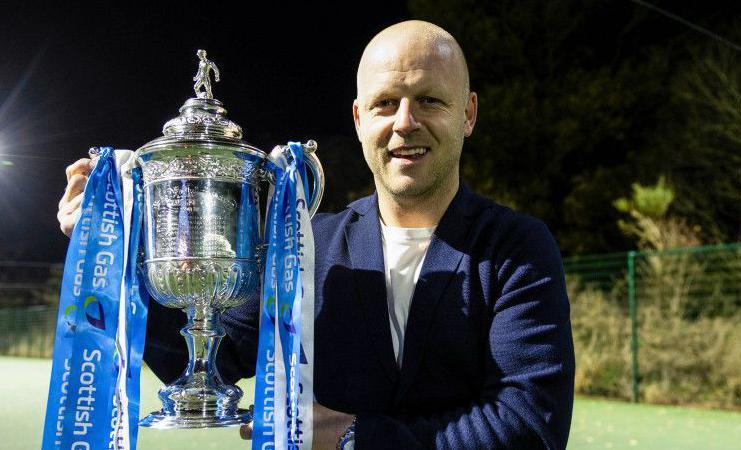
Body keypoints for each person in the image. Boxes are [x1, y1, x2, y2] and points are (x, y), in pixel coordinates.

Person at [58, 20, 575, 450]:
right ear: (357, 118)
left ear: (468, 114)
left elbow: (529, 427)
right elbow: (197, 363)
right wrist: (112, 250)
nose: (404, 122)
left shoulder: (516, 248)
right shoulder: (306, 246)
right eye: (384, 103)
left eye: (430, 101)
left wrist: (356, 438)